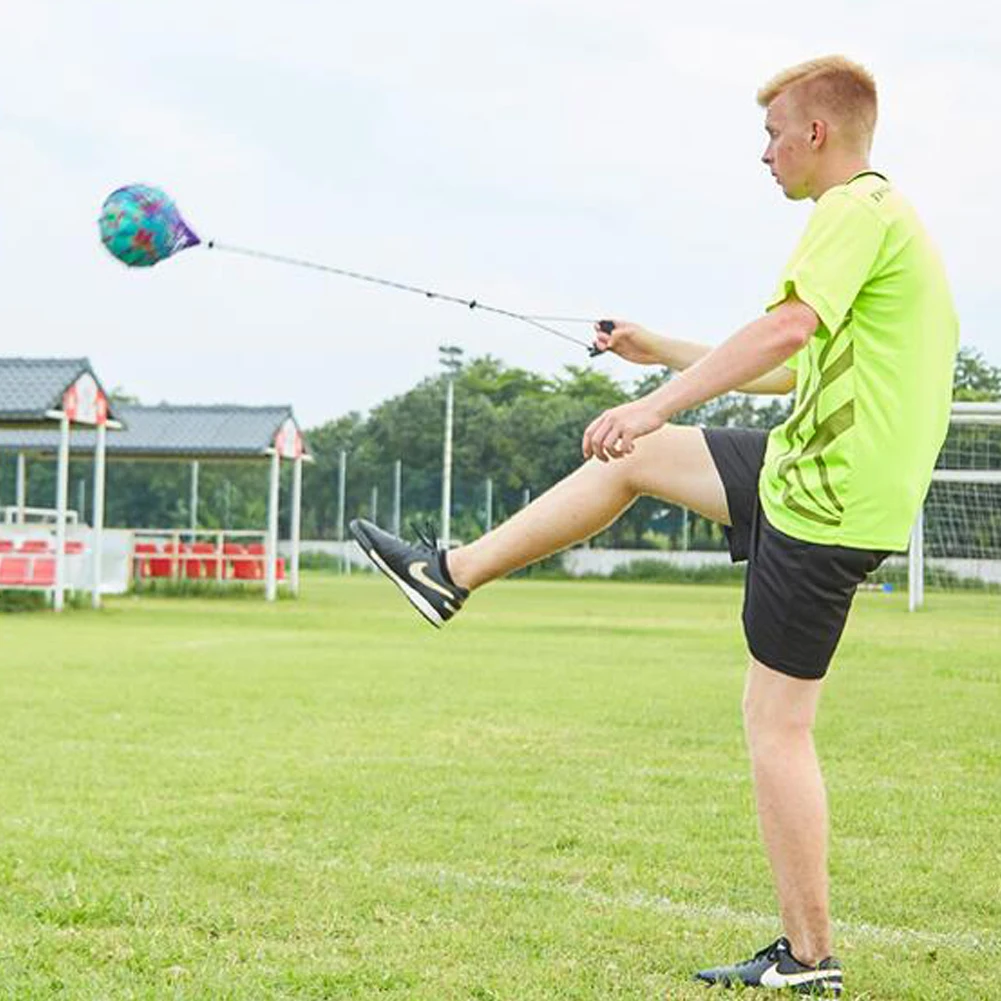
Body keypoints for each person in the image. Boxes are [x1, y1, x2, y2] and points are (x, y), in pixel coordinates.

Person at [351, 54, 958, 996]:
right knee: (634, 459)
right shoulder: (876, 221)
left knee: (775, 724)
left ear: (815, 134)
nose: (760, 155)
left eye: (769, 135)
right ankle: (448, 574)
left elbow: (785, 334)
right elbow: (789, 370)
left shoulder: (850, 211)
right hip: (815, 470)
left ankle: (806, 957)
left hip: (826, 497)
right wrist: (654, 352)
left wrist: (650, 401)